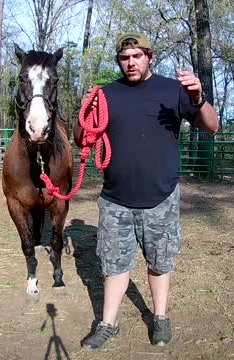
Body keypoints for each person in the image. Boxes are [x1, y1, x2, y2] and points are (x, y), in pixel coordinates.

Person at [74, 31, 219, 350]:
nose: (130, 62)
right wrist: (84, 112)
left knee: (159, 263)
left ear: (149, 57)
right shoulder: (107, 93)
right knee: (114, 266)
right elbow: (81, 139)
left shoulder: (173, 90)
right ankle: (108, 324)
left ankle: (160, 318)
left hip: (161, 198)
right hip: (115, 201)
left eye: (137, 56)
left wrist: (198, 98)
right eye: (124, 58)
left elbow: (211, 126)